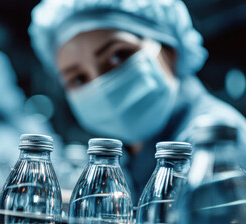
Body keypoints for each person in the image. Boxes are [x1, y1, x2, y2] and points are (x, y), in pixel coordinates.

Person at [28, 0, 246, 202]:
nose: (101, 86)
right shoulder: (127, 157)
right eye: (77, 78)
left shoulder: (219, 143)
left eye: (118, 56)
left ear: (170, 51)